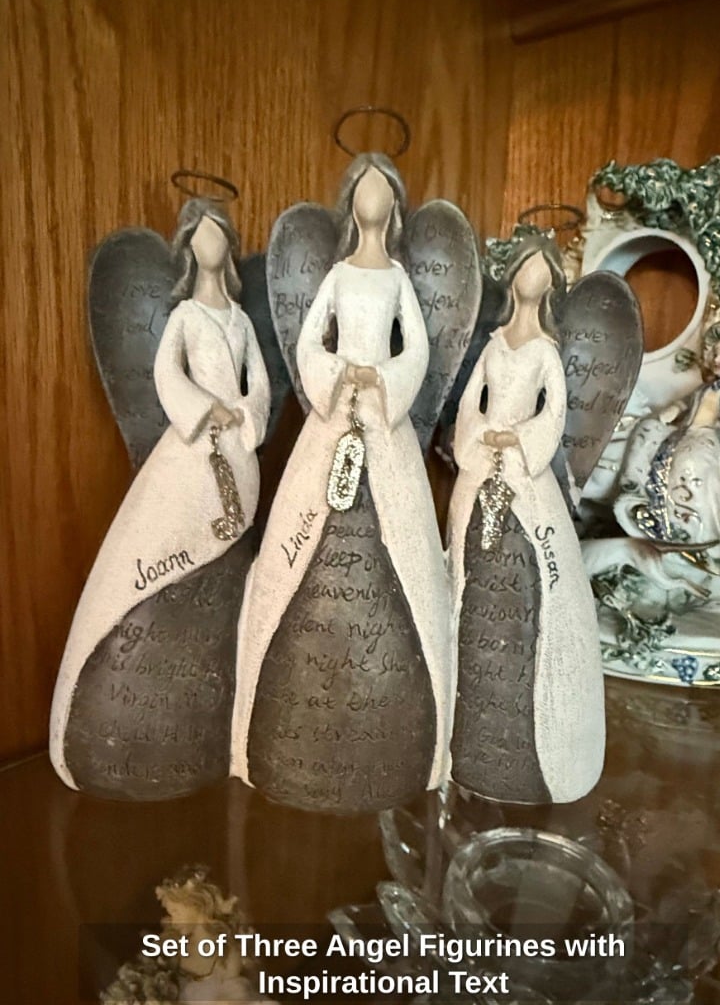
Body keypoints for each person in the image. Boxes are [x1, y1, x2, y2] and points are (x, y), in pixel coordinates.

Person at [232, 157, 453, 813]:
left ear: (395, 205)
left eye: (383, 191)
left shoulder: (397, 279)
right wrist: (337, 376)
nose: (373, 201)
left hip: (382, 419)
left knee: (404, 544)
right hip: (334, 417)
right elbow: (309, 344)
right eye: (364, 191)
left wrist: (381, 380)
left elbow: (416, 349)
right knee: (297, 541)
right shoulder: (337, 275)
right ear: (351, 202)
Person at [50, 199, 270, 799]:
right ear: (188, 247)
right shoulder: (186, 317)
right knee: (173, 542)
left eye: (219, 236)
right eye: (201, 236)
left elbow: (258, 382)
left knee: (230, 550)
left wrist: (245, 414)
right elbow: (168, 375)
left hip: (236, 452)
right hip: (192, 452)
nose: (211, 245)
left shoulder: (240, 322)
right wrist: (203, 411)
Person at [447, 239, 604, 804]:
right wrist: (478, 436)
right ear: (513, 277)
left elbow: (553, 411)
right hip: (480, 466)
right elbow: (471, 402)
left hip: (522, 471)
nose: (533, 278)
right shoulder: (494, 345)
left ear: (551, 284)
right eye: (526, 269)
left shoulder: (544, 352)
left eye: (543, 271)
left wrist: (518, 440)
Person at [614, 327, 720, 576]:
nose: (717, 360)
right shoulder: (704, 388)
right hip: (682, 431)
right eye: (714, 354)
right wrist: (667, 414)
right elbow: (683, 404)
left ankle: (690, 523)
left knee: (688, 464)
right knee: (647, 428)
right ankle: (633, 484)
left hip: (705, 437)